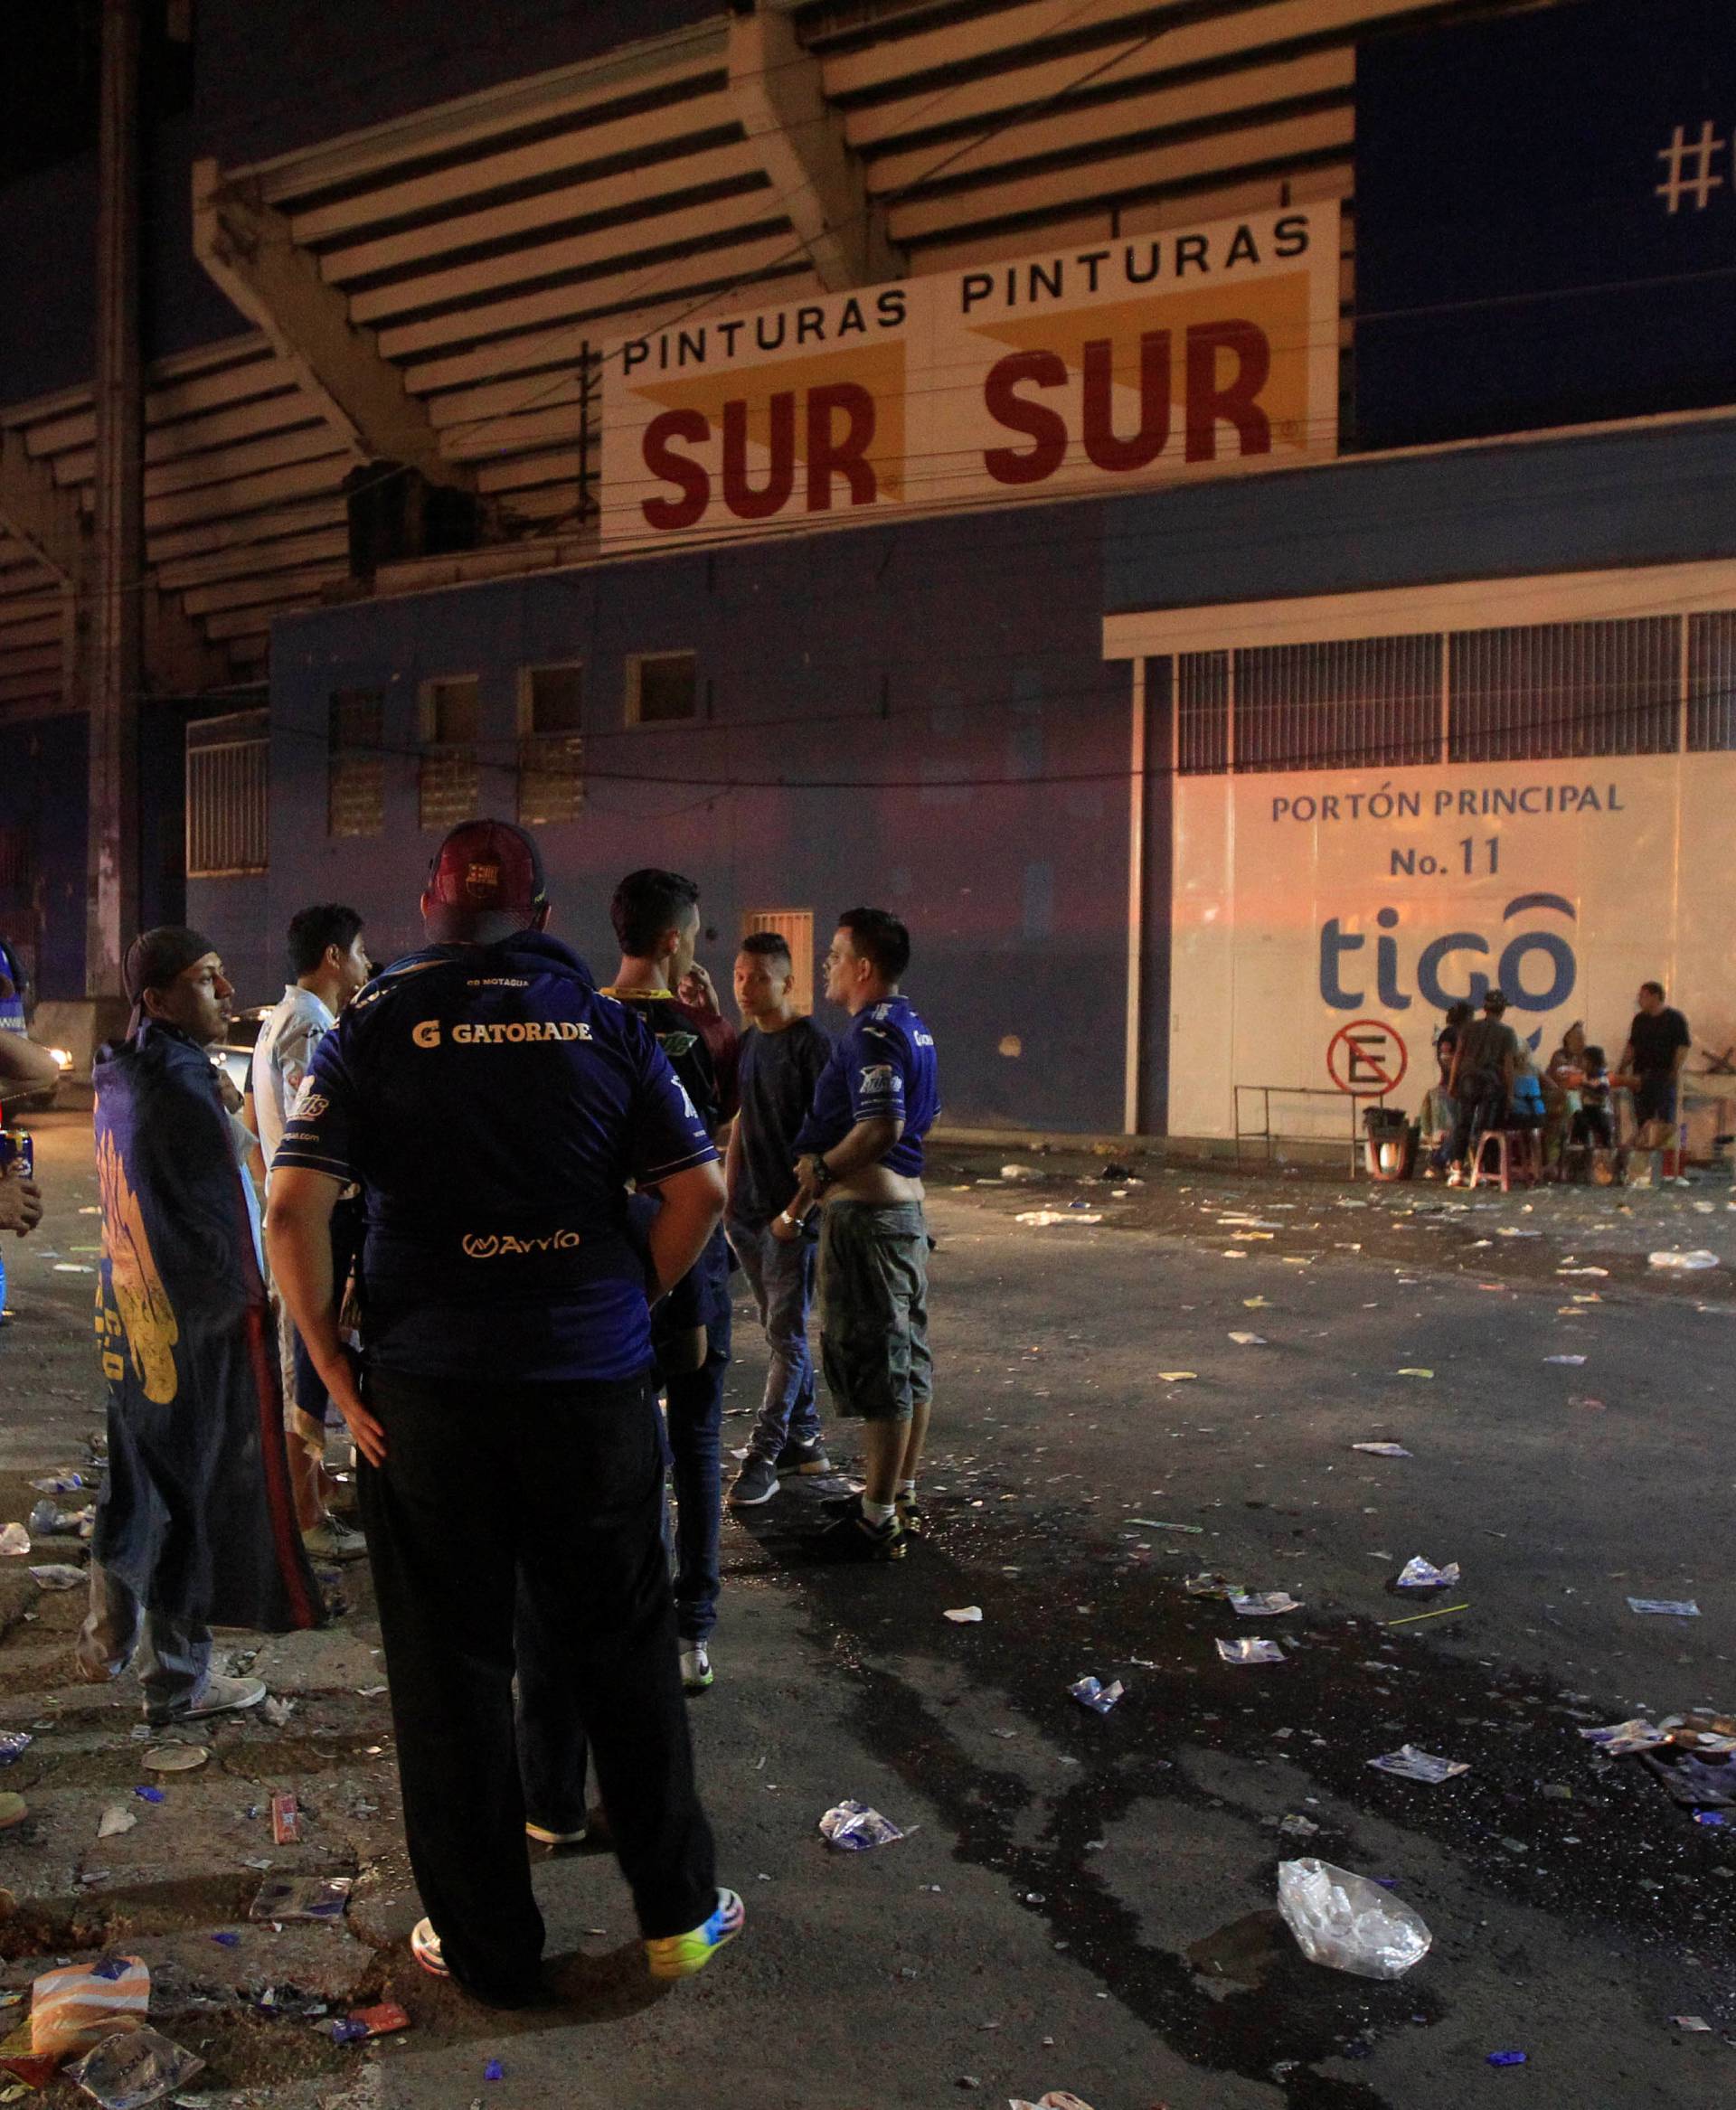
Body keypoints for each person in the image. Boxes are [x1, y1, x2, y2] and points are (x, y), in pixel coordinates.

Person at [265, 822, 741, 2009]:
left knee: (451, 1672)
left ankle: (489, 1951)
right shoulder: (607, 1023)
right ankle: (680, 1915)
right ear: (539, 914)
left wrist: (330, 1366)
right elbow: (702, 1191)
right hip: (588, 1393)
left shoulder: (373, 1027)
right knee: (623, 1646)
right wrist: (632, 1293)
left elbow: (291, 1211)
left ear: (430, 915)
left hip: (430, 1402)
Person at [80, 928, 316, 1724]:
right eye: (207, 979)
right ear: (157, 998)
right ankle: (176, 1681)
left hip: (136, 1311)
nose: (225, 991)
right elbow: (216, 1219)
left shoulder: (132, 1070)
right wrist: (259, 1301)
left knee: (140, 1471)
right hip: (187, 1324)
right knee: (190, 1486)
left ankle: (112, 1637)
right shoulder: (176, 1086)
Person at [601, 870, 739, 1693]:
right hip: (685, 1263)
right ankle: (693, 1631)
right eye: (691, 935)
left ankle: (639, 1619)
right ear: (670, 942)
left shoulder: (578, 1022)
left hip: (604, 1267)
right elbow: (704, 1158)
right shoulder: (693, 1036)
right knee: (693, 1443)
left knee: (625, 1450)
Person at [778, 909, 939, 1562]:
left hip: (871, 1224)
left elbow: (882, 1127)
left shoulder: (872, 1034)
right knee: (907, 1363)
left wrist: (819, 1169)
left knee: (880, 1368)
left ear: (864, 968)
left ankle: (876, 1520)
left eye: (836, 956)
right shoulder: (913, 1026)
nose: (827, 966)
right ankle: (895, 1495)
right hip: (898, 1219)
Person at [250, 904, 372, 1563]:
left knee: (304, 1366)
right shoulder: (311, 1027)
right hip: (313, 1227)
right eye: (358, 951)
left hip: (294, 1219)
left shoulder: (281, 1021)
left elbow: (253, 1126)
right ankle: (307, 1517)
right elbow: (315, 1131)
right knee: (307, 1371)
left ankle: (312, 1498)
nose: (364, 963)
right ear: (332, 956)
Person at [724, 932, 834, 1507]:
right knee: (778, 1332)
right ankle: (806, 1442)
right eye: (739, 975)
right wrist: (727, 1193)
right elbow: (742, 1120)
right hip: (747, 1215)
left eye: (759, 977)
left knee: (786, 1337)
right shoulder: (749, 1044)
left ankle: (764, 1455)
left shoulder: (811, 1045)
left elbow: (831, 1143)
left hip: (789, 1220)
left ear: (788, 983)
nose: (744, 987)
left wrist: (795, 1213)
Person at [1445, 987, 1521, 1187]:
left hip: (1468, 1080)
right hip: (1491, 1083)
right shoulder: (1507, 1033)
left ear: (1485, 1009)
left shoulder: (1468, 1029)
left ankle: (1457, 1170)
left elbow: (1458, 1057)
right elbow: (1508, 1066)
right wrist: (1510, 1094)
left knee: (1462, 1124)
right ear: (1502, 1010)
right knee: (1486, 1128)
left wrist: (1452, 1083)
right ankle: (1483, 1171)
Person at [1620, 981, 1692, 1141]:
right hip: (1640, 1077)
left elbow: (1683, 1047)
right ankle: (1645, 1158)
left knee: (1665, 1123)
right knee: (1643, 1122)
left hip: (1663, 1076)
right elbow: (1632, 1046)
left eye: (1643, 996)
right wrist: (1622, 1067)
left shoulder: (1674, 1019)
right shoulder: (1639, 1020)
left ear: (1656, 996)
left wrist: (1675, 1070)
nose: (1640, 1000)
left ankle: (1664, 1159)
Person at [1422, 999, 1473, 1173]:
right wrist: (1455, 1081)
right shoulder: (1452, 1035)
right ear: (1466, 1018)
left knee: (1457, 1127)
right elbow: (1446, 1060)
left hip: (1452, 1086)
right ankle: (1439, 1160)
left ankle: (1448, 1161)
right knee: (1457, 1127)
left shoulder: (1450, 1034)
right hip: (1453, 1088)